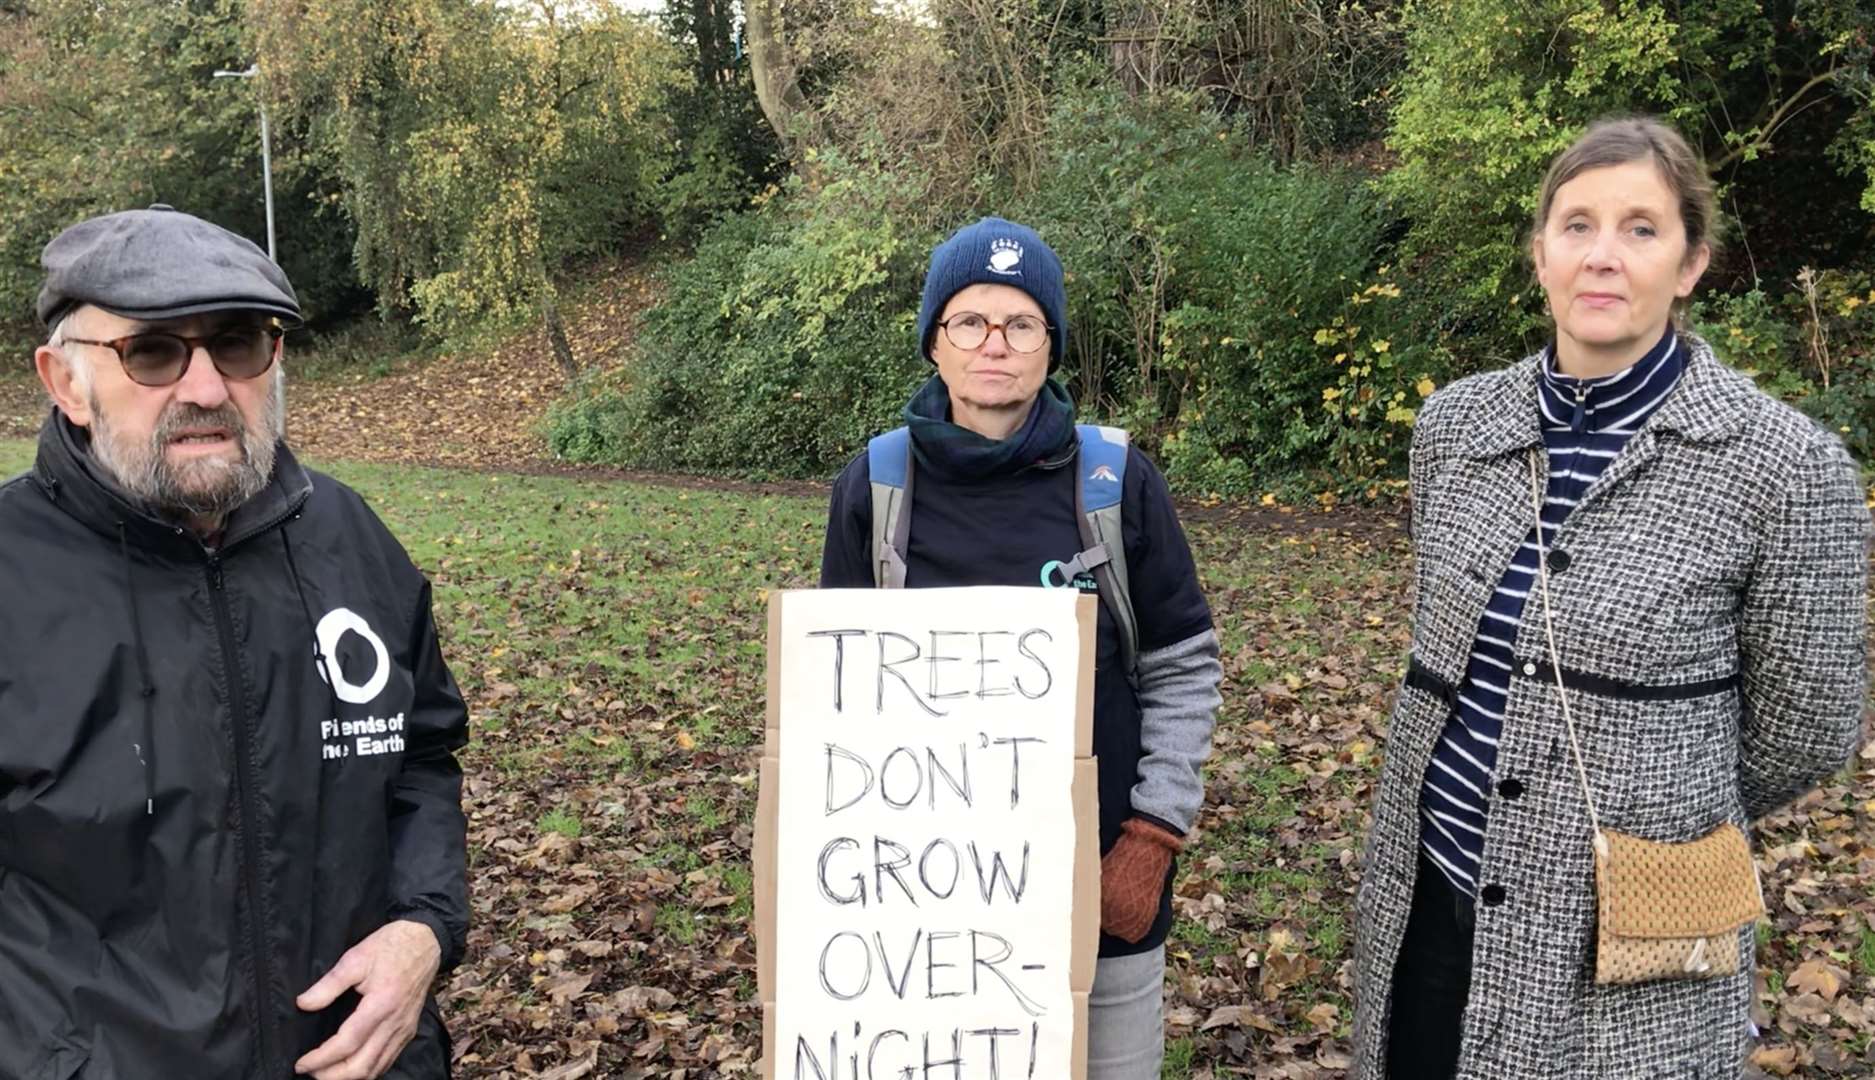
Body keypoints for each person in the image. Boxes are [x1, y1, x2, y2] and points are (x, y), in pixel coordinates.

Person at [1349, 118, 1869, 1078]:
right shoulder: (1455, 428)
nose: (1601, 256)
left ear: (1689, 264)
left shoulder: (1785, 469)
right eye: (1576, 224)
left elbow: (1806, 729)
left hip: (1625, 942)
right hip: (1431, 899)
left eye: (1639, 228)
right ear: (1539, 254)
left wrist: (1660, 788)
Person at [1, 205, 470, 1080]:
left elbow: (422, 757)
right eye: (153, 352)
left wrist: (425, 927)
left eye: (239, 345)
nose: (207, 388)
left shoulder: (349, 539)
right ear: (65, 382)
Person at [819, 217, 1222, 1078]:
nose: (993, 344)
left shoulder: (1114, 481)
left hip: (1103, 884)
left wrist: (1151, 838)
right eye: (969, 321)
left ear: (1051, 345)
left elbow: (1183, 664)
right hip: (924, 899)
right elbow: (836, 694)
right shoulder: (876, 486)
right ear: (935, 342)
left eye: (1020, 323)